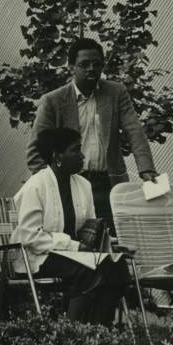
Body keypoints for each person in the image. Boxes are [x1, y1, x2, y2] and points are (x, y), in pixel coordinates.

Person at [27, 37, 157, 223]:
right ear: (71, 67)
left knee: (114, 238)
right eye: (84, 64)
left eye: (97, 64)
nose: (91, 69)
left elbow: (134, 130)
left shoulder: (116, 93)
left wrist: (146, 168)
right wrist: (54, 184)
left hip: (109, 183)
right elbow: (34, 153)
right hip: (71, 184)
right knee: (75, 241)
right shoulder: (53, 101)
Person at [14, 127, 130, 326]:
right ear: (57, 156)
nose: (82, 156)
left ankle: (99, 329)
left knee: (117, 267)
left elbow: (91, 228)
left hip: (76, 256)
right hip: (38, 257)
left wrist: (107, 245)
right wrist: (73, 246)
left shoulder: (83, 185)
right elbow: (30, 236)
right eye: (75, 150)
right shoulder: (36, 186)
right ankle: (71, 331)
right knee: (86, 270)